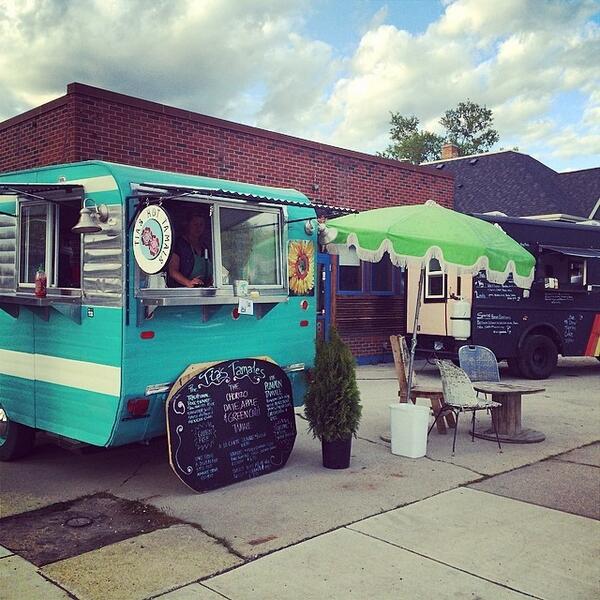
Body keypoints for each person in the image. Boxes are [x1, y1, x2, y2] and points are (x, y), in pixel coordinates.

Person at [167, 214, 213, 287]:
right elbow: (173, 271)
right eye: (195, 224)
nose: (198, 228)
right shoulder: (179, 244)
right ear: (188, 225)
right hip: (183, 292)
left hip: (203, 291)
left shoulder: (205, 247)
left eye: (201, 225)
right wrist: (188, 282)